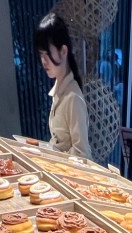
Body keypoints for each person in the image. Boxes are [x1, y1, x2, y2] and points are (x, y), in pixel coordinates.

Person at [34, 12, 91, 159]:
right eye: (41, 55)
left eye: (47, 54)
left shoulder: (73, 98)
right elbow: (58, 144)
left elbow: (82, 155)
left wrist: (51, 157)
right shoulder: (59, 91)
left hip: (66, 172)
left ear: (63, 51)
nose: (43, 61)